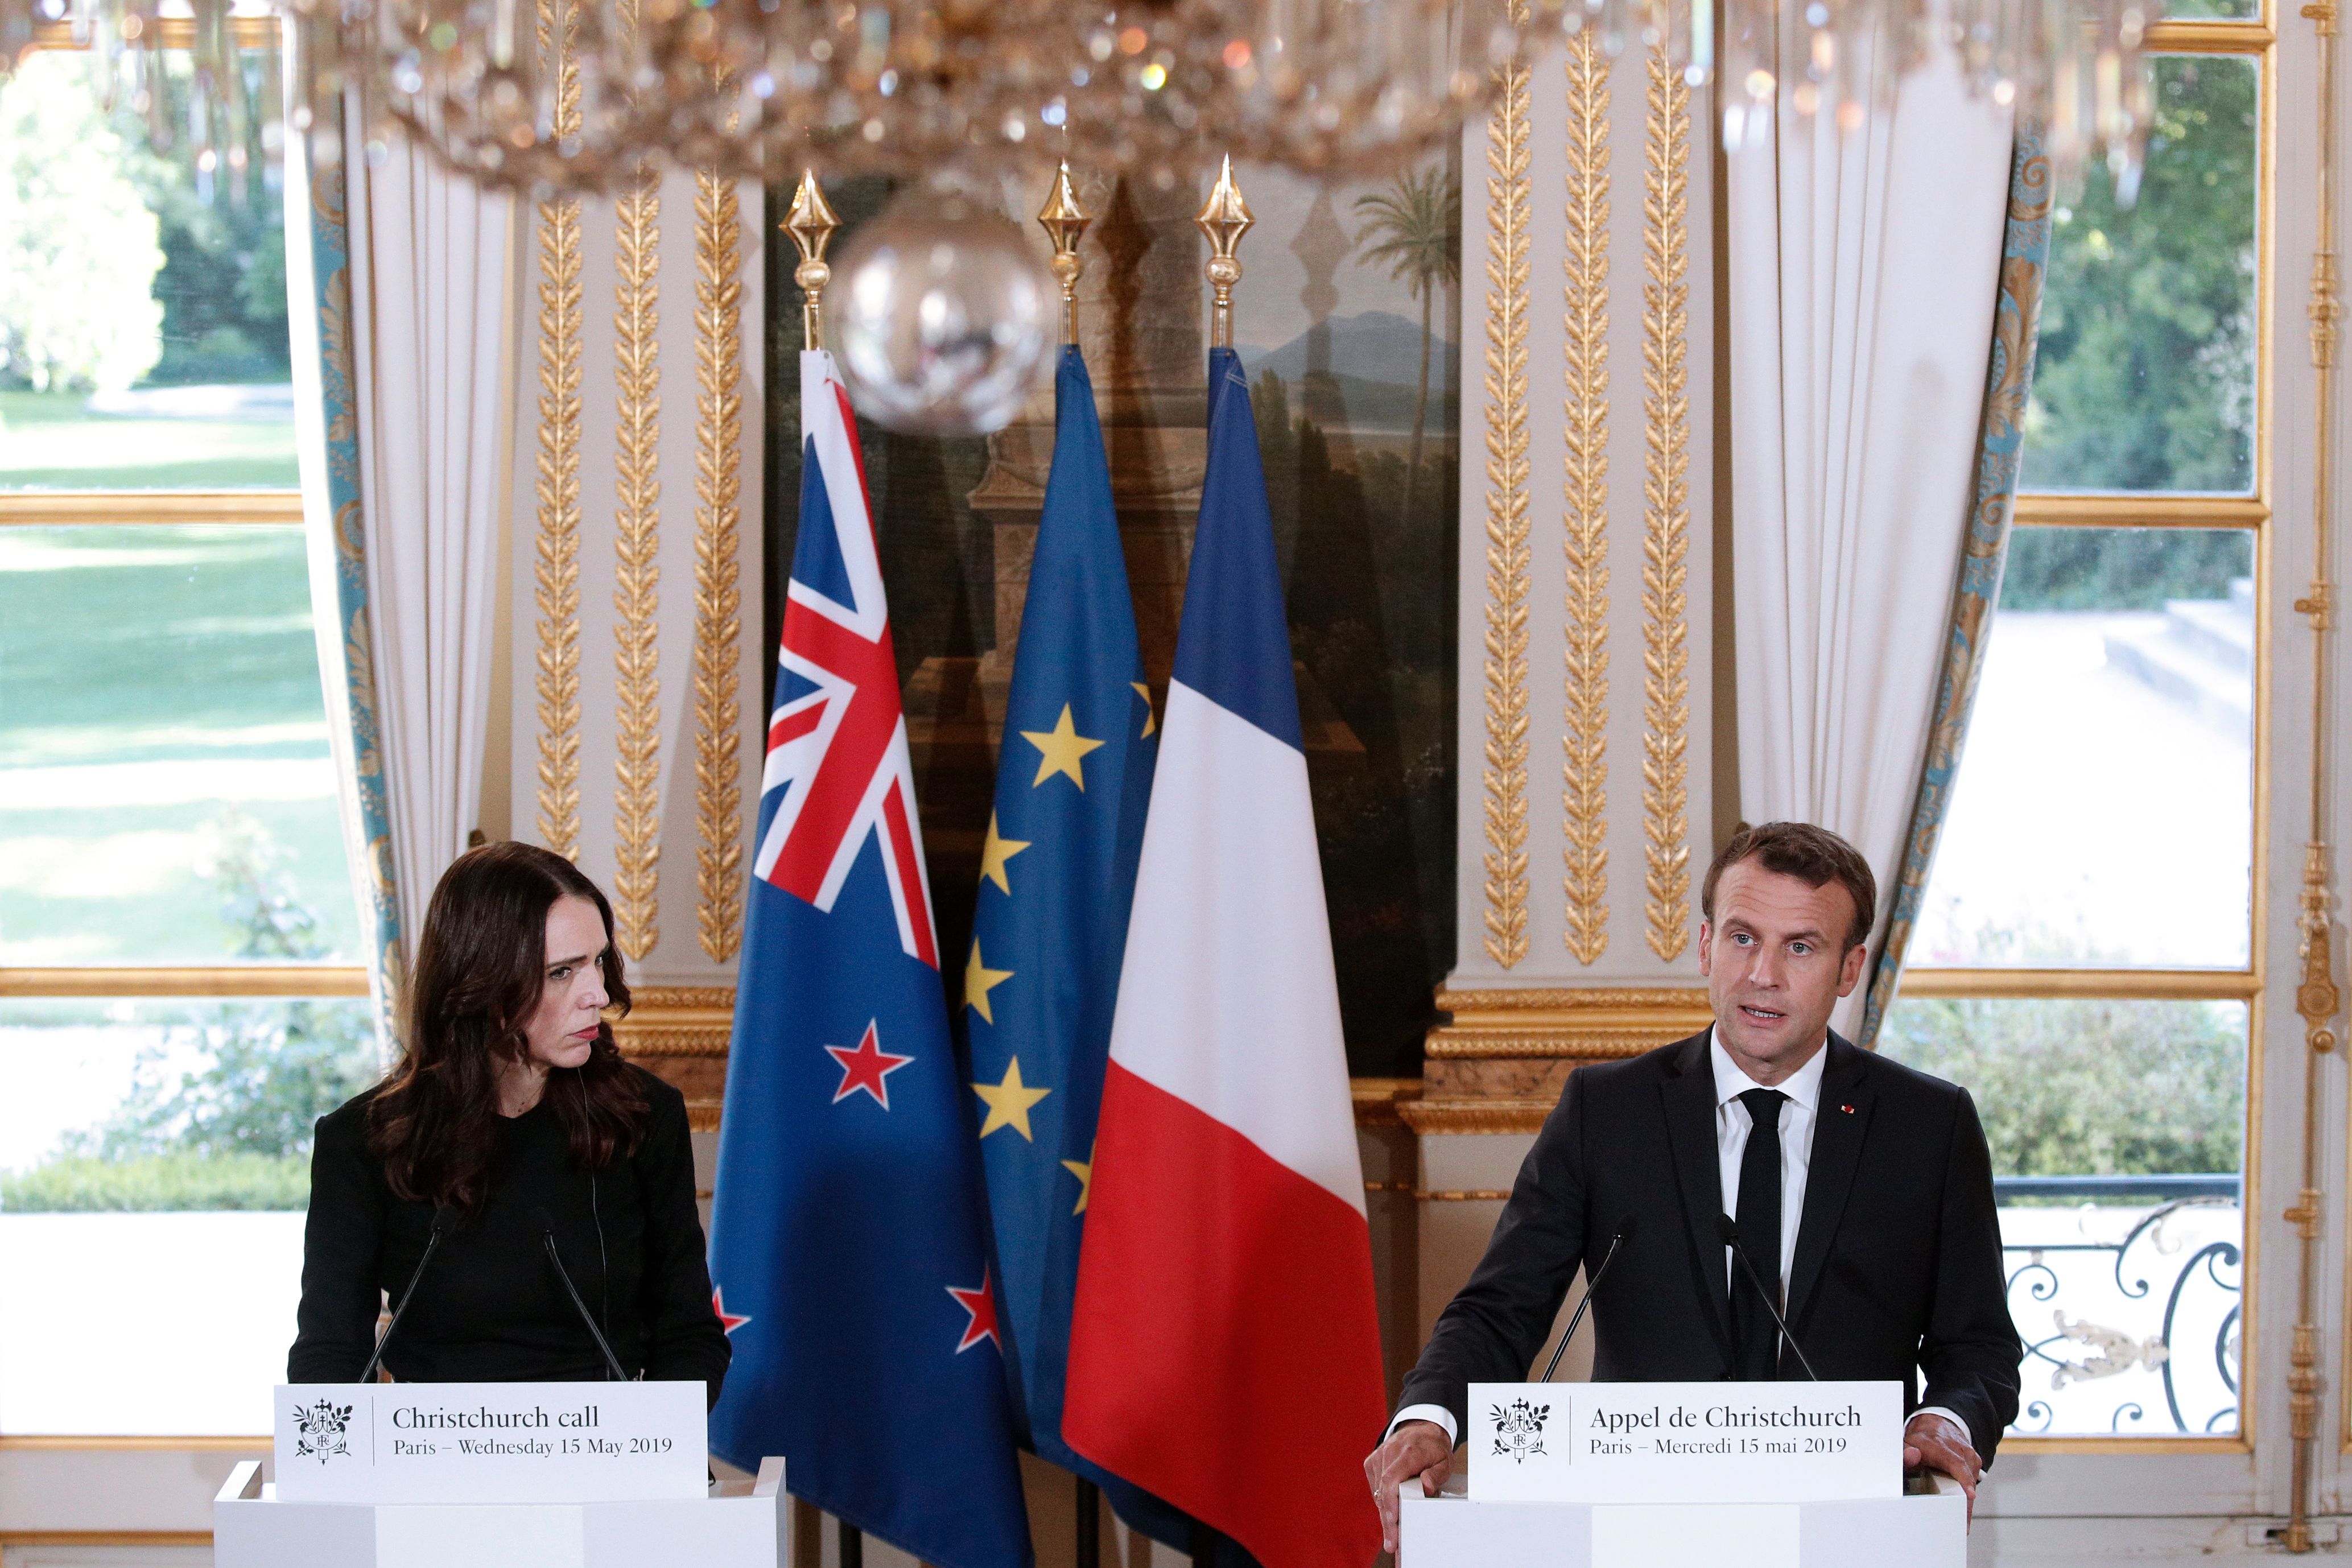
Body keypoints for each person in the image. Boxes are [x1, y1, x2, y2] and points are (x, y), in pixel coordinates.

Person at [1365, 822, 2020, 1548]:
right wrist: (1429, 1416)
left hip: (1848, 1529)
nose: (1761, 973)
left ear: (1849, 968)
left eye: (1799, 946)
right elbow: (1498, 1311)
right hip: (1632, 1526)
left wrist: (1944, 1423)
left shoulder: (1929, 1124)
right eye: (1742, 937)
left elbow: (1979, 1346)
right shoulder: (1606, 1111)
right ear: (1706, 945)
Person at [289, 841, 731, 1404]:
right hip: (431, 1464)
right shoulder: (363, 1141)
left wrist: (662, 1446)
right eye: (561, 972)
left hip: (609, 1462)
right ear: (482, 984)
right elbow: (328, 1355)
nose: (597, 993)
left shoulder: (643, 1115)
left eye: (598, 960)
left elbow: (688, 1333)